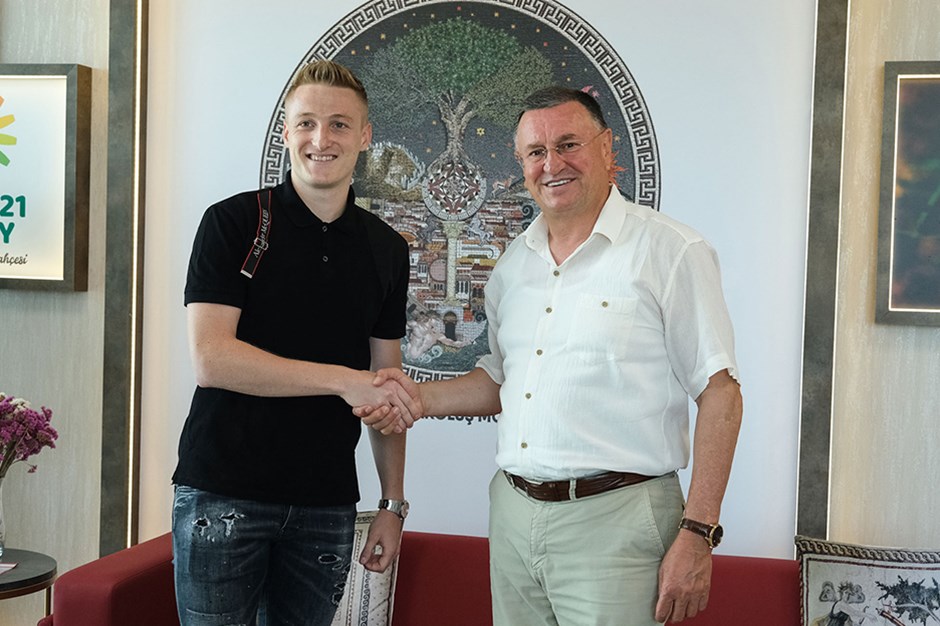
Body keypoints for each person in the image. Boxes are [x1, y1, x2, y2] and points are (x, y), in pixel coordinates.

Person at [357, 86, 743, 625]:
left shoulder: (671, 251)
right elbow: (501, 380)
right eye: (536, 152)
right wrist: (415, 398)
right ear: (521, 165)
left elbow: (721, 393)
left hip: (619, 520)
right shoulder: (514, 263)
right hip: (514, 517)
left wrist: (699, 531)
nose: (552, 164)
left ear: (607, 147)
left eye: (568, 145)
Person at [172, 60, 417, 626]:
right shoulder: (234, 222)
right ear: (286, 132)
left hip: (326, 505)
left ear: (365, 136)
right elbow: (212, 359)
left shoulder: (387, 249)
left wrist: (392, 504)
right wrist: (343, 380)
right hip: (222, 494)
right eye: (306, 123)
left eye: (339, 124)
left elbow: (385, 389)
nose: (321, 139)